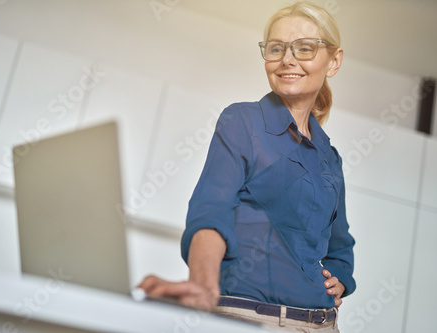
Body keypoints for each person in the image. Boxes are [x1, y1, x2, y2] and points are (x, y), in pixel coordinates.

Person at [139, 1, 355, 331]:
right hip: (248, 318)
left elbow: (340, 246)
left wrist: (340, 277)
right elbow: (212, 210)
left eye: (305, 48)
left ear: (333, 61)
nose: (287, 59)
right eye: (276, 48)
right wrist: (202, 283)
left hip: (322, 324)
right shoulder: (242, 121)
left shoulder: (329, 156)